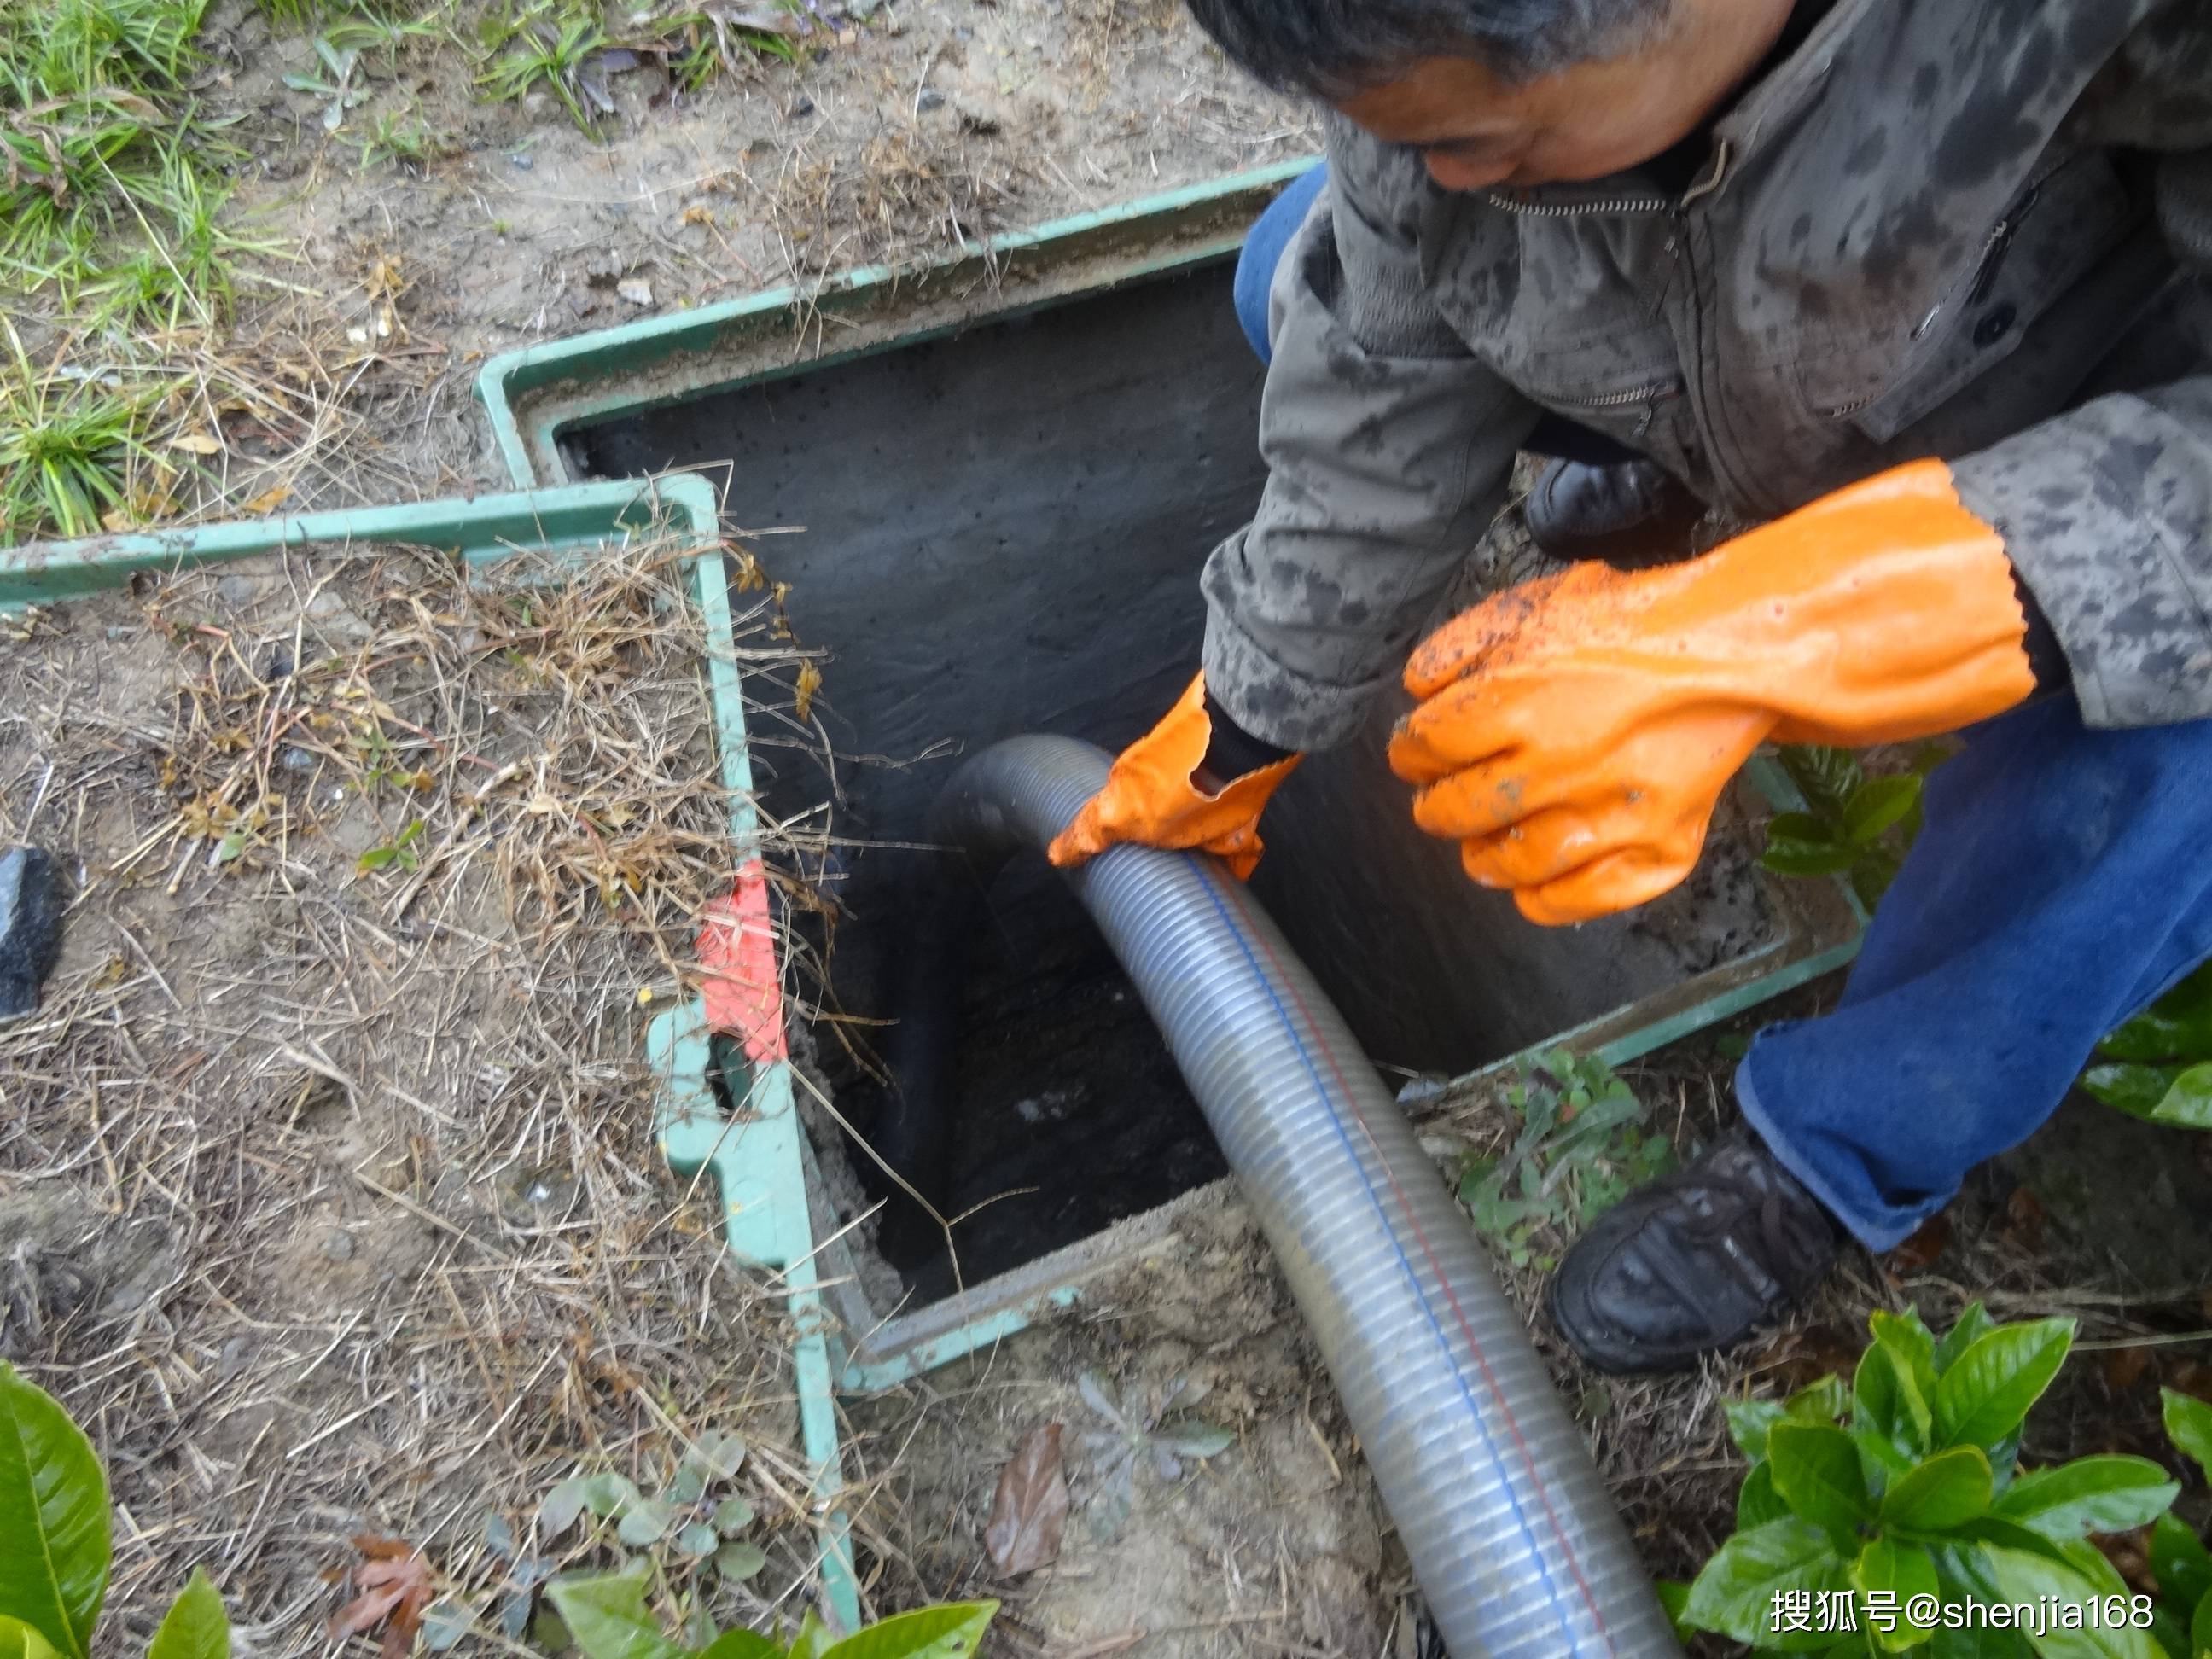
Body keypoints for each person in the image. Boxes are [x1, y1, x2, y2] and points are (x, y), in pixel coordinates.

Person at [1047, 0, 2212, 1374]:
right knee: (1288, 272)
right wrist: (1248, 714)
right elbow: (1389, 354)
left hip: (2091, 416)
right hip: (1764, 347)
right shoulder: (1458, 111)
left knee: (2165, 762)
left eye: (1476, 133)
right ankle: (1695, 453)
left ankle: (1832, 1153)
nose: (1443, 170)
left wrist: (1777, 631)